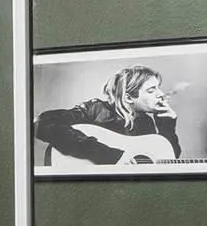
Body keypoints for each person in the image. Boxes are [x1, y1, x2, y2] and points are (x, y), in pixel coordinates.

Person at [35, 64, 180, 167]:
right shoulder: (95, 109)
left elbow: (167, 158)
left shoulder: (145, 121)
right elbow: (41, 123)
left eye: (158, 88)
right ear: (129, 97)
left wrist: (167, 124)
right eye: (151, 90)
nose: (161, 94)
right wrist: (109, 155)